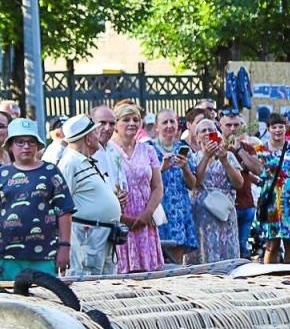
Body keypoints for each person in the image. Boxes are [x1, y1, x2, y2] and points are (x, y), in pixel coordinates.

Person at [0, 119, 73, 278]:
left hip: (45, 254)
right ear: (10, 145)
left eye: (31, 142)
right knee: (10, 301)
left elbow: (64, 211)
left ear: (37, 146)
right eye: (20, 142)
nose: (26, 146)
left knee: (45, 298)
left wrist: (64, 246)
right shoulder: (2, 173)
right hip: (7, 256)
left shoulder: (50, 171)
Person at [57, 115, 121, 277]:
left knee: (105, 282)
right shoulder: (70, 163)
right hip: (87, 235)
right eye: (94, 132)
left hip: (102, 233)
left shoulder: (85, 161)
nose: (98, 136)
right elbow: (61, 204)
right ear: (87, 139)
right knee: (87, 279)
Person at [108, 103, 164, 273]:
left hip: (145, 216)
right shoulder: (108, 151)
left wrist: (147, 213)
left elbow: (157, 185)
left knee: (148, 272)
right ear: (116, 124)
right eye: (126, 120)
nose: (132, 123)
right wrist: (123, 218)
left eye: (136, 119)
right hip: (120, 217)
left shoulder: (148, 150)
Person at [186, 117, 244, 263]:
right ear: (197, 137)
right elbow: (195, 182)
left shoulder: (228, 156)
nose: (207, 133)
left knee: (225, 251)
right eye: (203, 131)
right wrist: (206, 156)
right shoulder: (193, 157)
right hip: (202, 213)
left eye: (211, 130)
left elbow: (239, 183)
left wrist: (224, 161)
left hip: (223, 212)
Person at [255, 113, 290, 264]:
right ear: (268, 129)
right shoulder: (260, 150)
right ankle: (269, 278)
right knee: (272, 244)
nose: (278, 130)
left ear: (286, 128)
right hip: (271, 203)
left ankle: (289, 276)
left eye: (281, 126)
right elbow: (254, 172)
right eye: (274, 127)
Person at [152, 110, 198, 264]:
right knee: (155, 257)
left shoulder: (183, 148)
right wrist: (162, 168)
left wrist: (185, 168)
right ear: (156, 126)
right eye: (165, 122)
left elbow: (192, 184)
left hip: (179, 209)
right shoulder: (148, 148)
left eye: (172, 121)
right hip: (157, 208)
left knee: (176, 258)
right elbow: (143, 181)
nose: (169, 126)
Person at [221, 110, 263, 256]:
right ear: (220, 126)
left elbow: (258, 169)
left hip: (246, 205)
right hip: (223, 208)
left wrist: (239, 150)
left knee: (242, 250)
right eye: (228, 125)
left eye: (236, 125)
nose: (232, 129)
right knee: (227, 251)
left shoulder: (247, 148)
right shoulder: (214, 149)